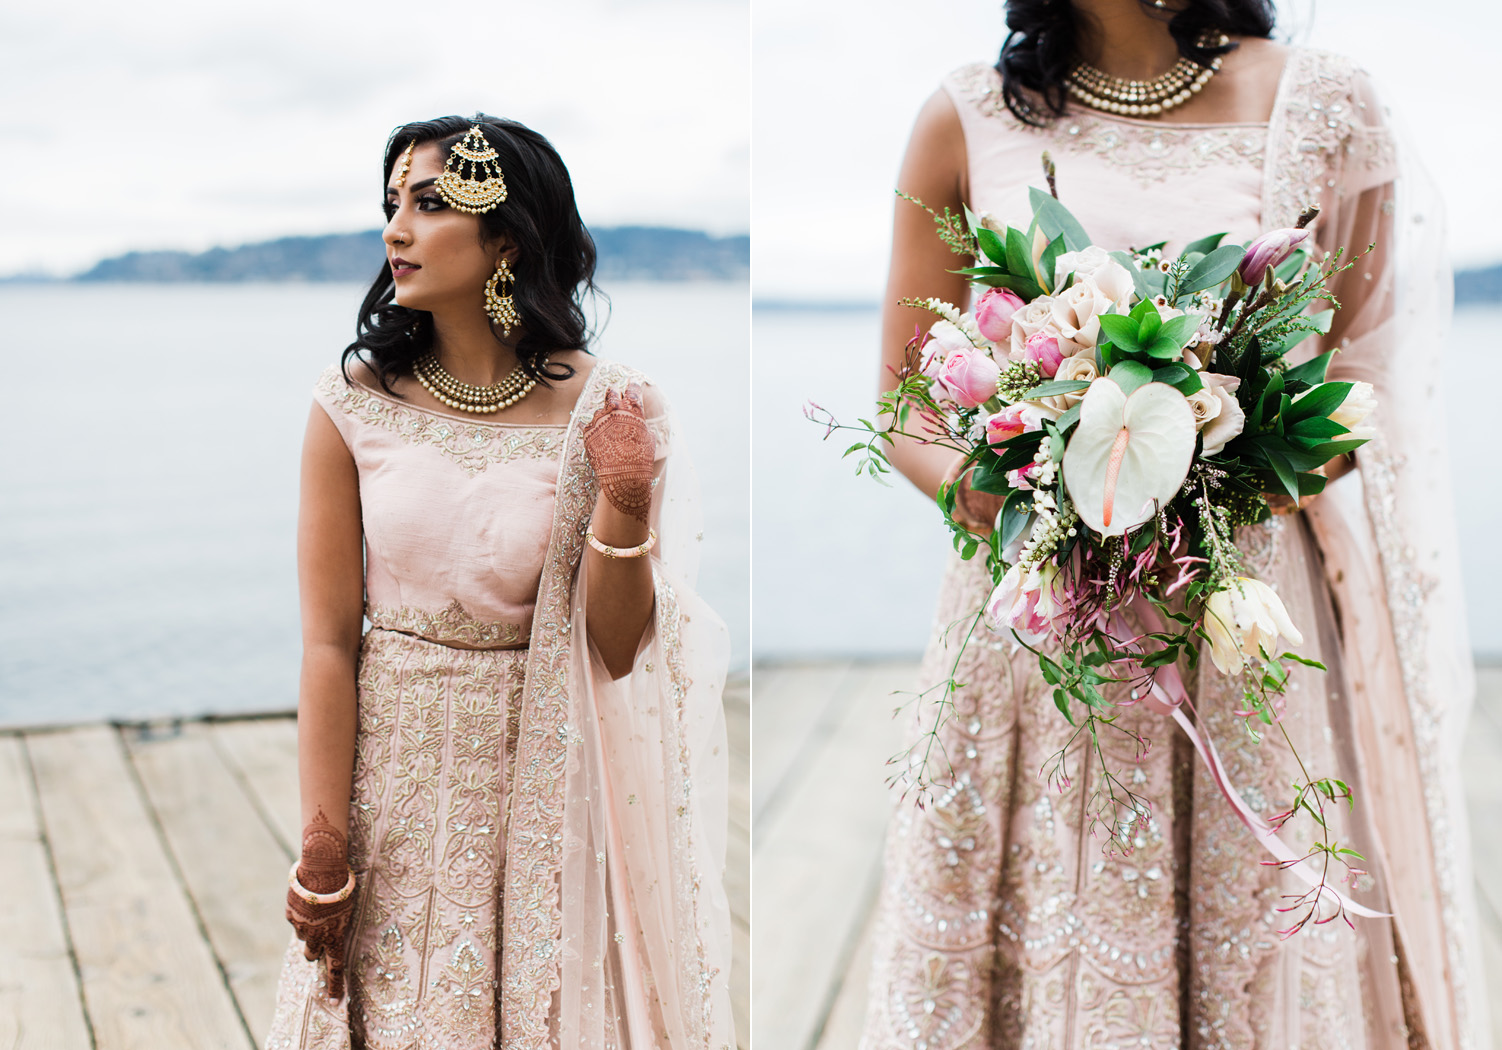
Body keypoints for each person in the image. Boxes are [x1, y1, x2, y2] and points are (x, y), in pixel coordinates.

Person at [860, 2, 1485, 1046]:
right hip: (1040, 614)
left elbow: (1358, 388)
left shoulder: (1322, 105)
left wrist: (1203, 474)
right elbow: (903, 406)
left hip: (1234, 614)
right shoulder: (961, 115)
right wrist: (999, 484)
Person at [263, 114, 734, 1049]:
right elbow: (326, 643)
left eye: (430, 204)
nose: (396, 229)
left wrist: (627, 501)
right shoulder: (351, 401)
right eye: (391, 205)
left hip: (550, 782)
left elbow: (614, 647)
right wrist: (323, 840)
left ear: (508, 237)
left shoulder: (612, 409)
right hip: (392, 783)